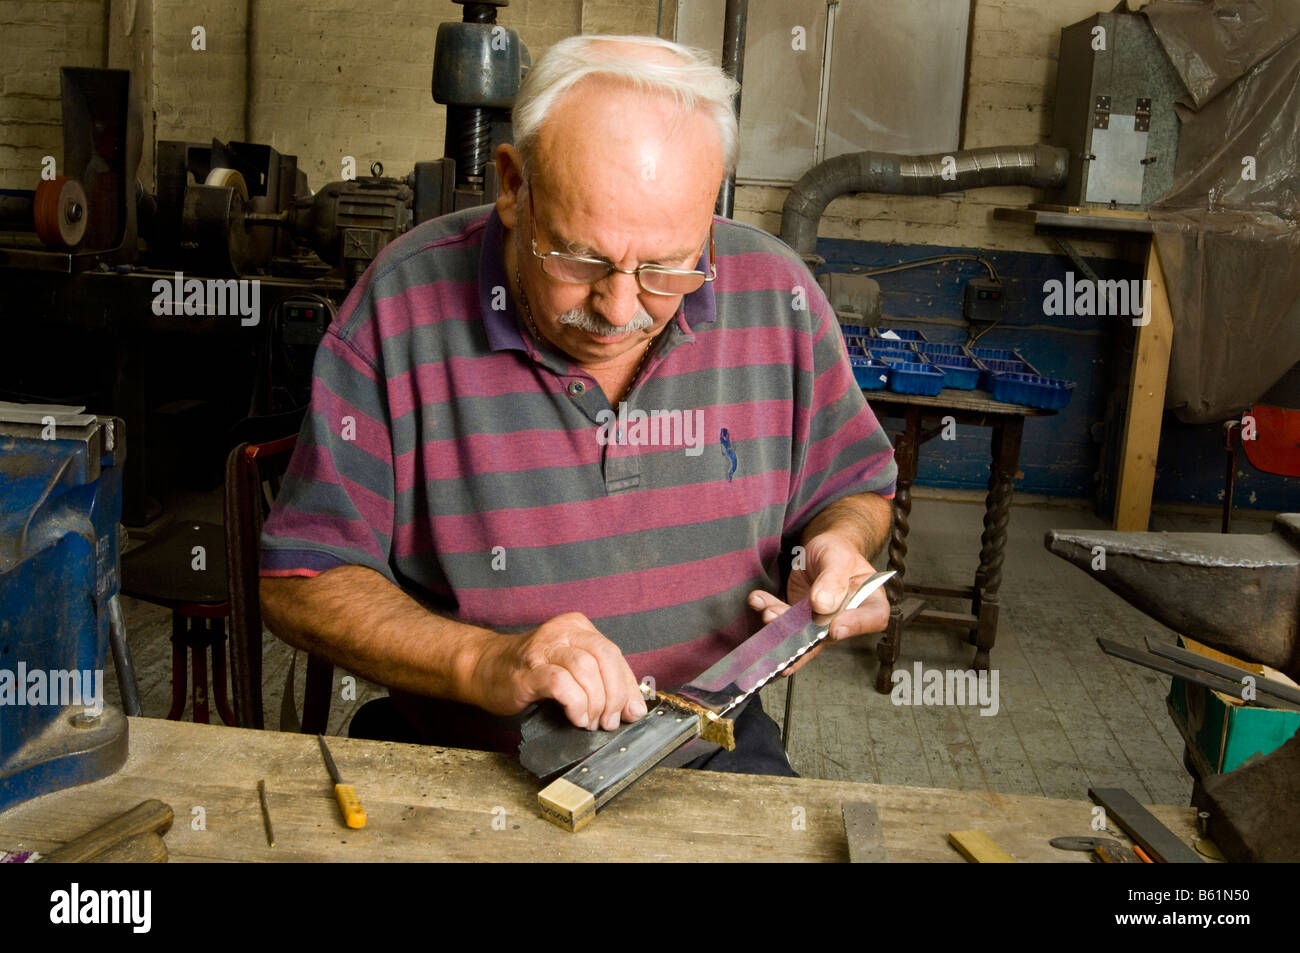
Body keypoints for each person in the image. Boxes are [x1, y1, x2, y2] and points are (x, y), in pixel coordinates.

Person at [259, 35, 897, 775]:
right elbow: (303, 578)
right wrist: (484, 660)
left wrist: (842, 543)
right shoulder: (401, 306)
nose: (622, 304)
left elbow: (852, 486)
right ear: (512, 184)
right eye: (581, 257)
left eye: (666, 267)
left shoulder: (779, 296)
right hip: (467, 756)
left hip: (704, 749)